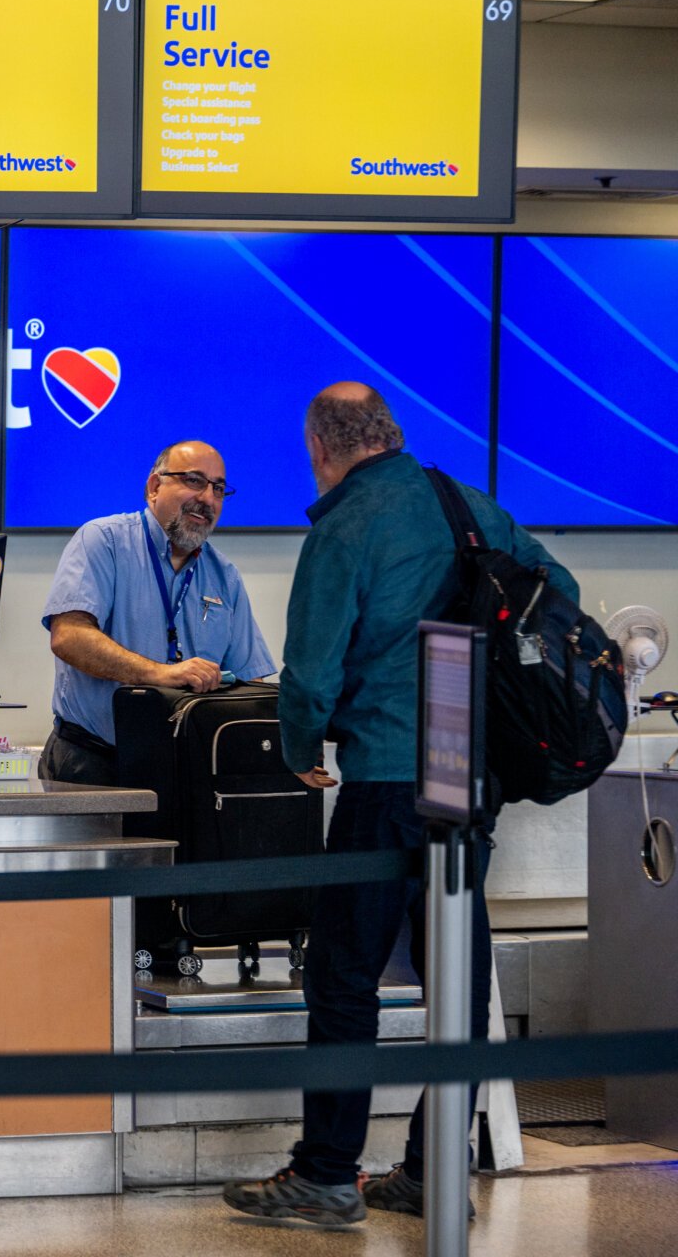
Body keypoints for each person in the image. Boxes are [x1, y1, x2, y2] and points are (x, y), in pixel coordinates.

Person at [224, 383, 576, 1227]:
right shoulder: (463, 503)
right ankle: (432, 1167)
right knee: (459, 979)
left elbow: (310, 672)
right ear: (391, 433)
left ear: (320, 447)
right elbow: (553, 584)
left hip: (384, 775)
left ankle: (327, 1174)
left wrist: (304, 751)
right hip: (466, 773)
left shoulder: (343, 526)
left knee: (345, 977)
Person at [39, 440, 276, 787]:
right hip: (92, 763)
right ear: (154, 487)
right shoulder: (103, 541)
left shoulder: (225, 576)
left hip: (184, 771)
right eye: (194, 481)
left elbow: (249, 683)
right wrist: (160, 674)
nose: (208, 498)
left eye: (219, 489)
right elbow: (69, 636)